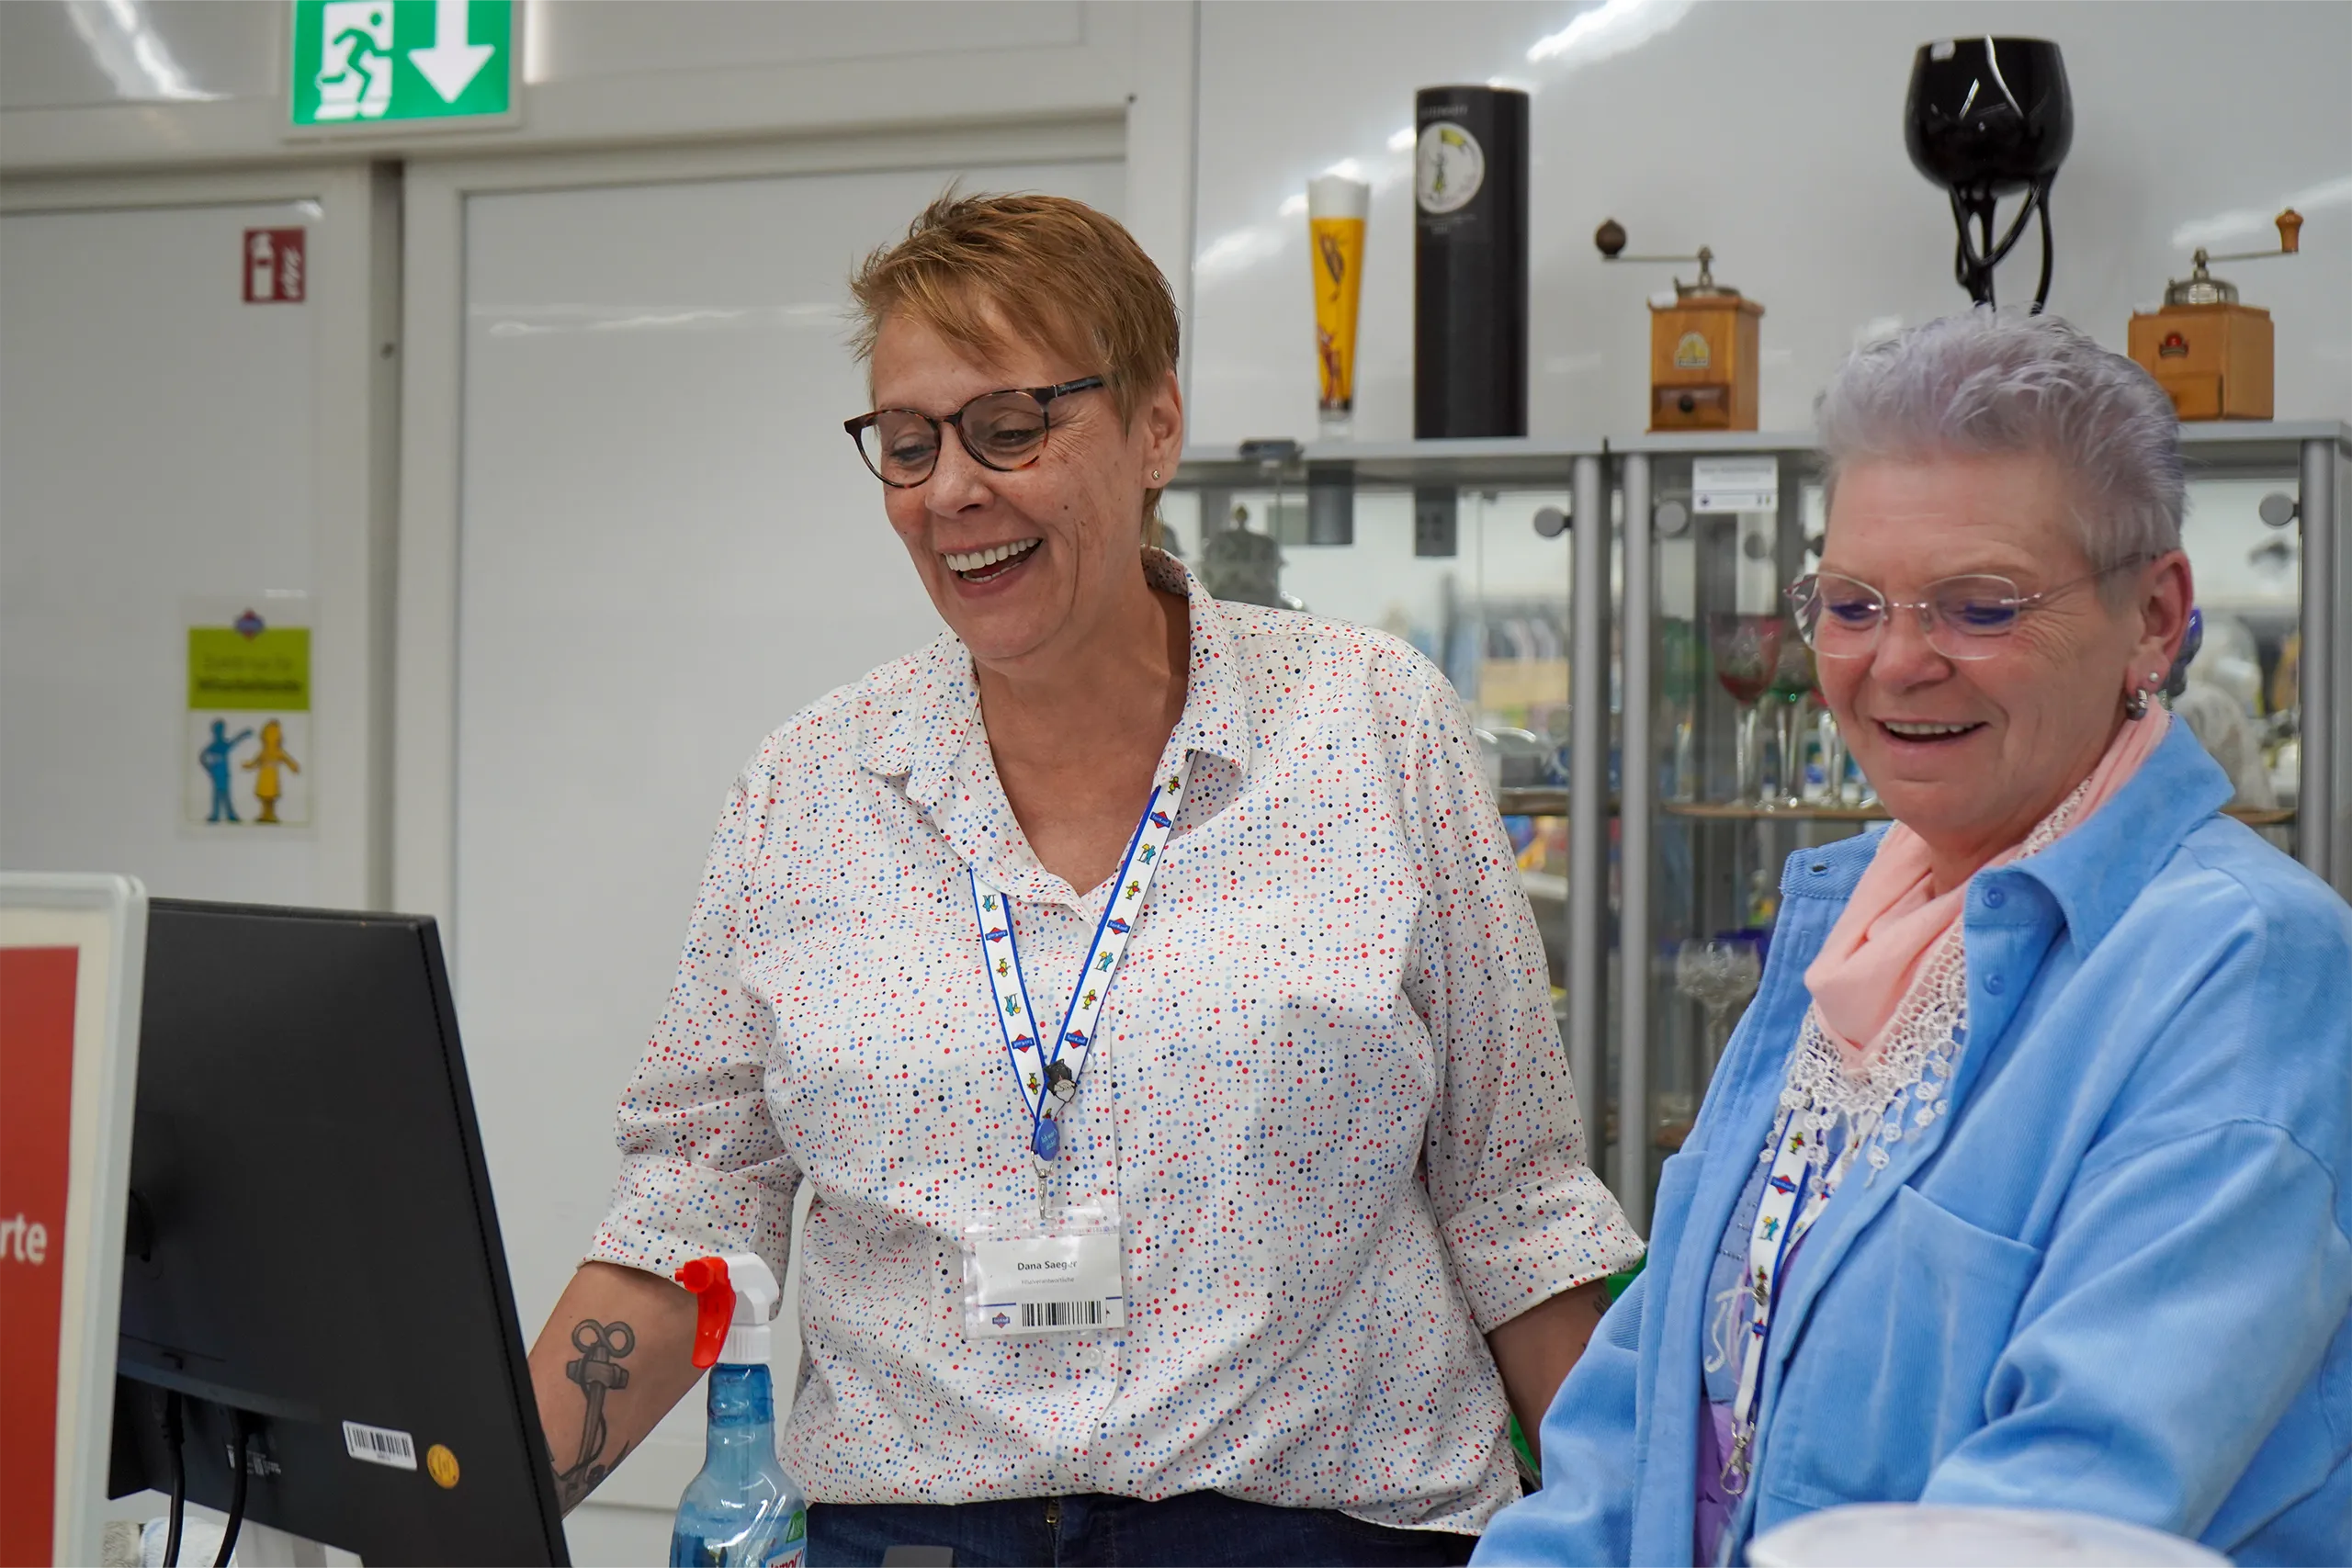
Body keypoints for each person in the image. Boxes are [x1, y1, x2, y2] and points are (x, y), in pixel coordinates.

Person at [523, 191, 1641, 1566]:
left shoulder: (1371, 729)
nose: (949, 492)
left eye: (1010, 427)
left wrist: (1644, 1529)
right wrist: (474, 1508)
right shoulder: (811, 787)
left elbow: (1513, 1203)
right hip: (918, 1535)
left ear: (1156, 426)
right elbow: (696, 1210)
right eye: (910, 442)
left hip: (1312, 1533)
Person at [1475, 310, 2352, 1568]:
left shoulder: (2243, 968)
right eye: (1851, 602)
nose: (1895, 664)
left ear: (2155, 618)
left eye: (1979, 606)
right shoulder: (1856, 922)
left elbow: (2057, 1504)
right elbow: (1641, 1412)